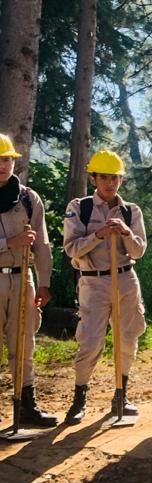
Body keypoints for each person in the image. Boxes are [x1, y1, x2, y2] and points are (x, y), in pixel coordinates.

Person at [63, 150, 147, 425]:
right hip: (93, 280)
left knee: (127, 338)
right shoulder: (80, 208)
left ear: (121, 179)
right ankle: (79, 396)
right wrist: (98, 235)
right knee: (89, 341)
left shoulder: (131, 210)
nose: (110, 183)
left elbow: (139, 250)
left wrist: (125, 232)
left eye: (115, 177)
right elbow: (71, 247)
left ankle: (120, 394)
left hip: (125, 279)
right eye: (104, 177)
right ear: (93, 178)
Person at [0, 133, 56, 427]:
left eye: (7, 159)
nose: (2, 165)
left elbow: (42, 244)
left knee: (24, 344)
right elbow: (19, 241)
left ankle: (25, 406)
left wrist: (44, 281)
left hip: (24, 280)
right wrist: (10, 242)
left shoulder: (28, 198)